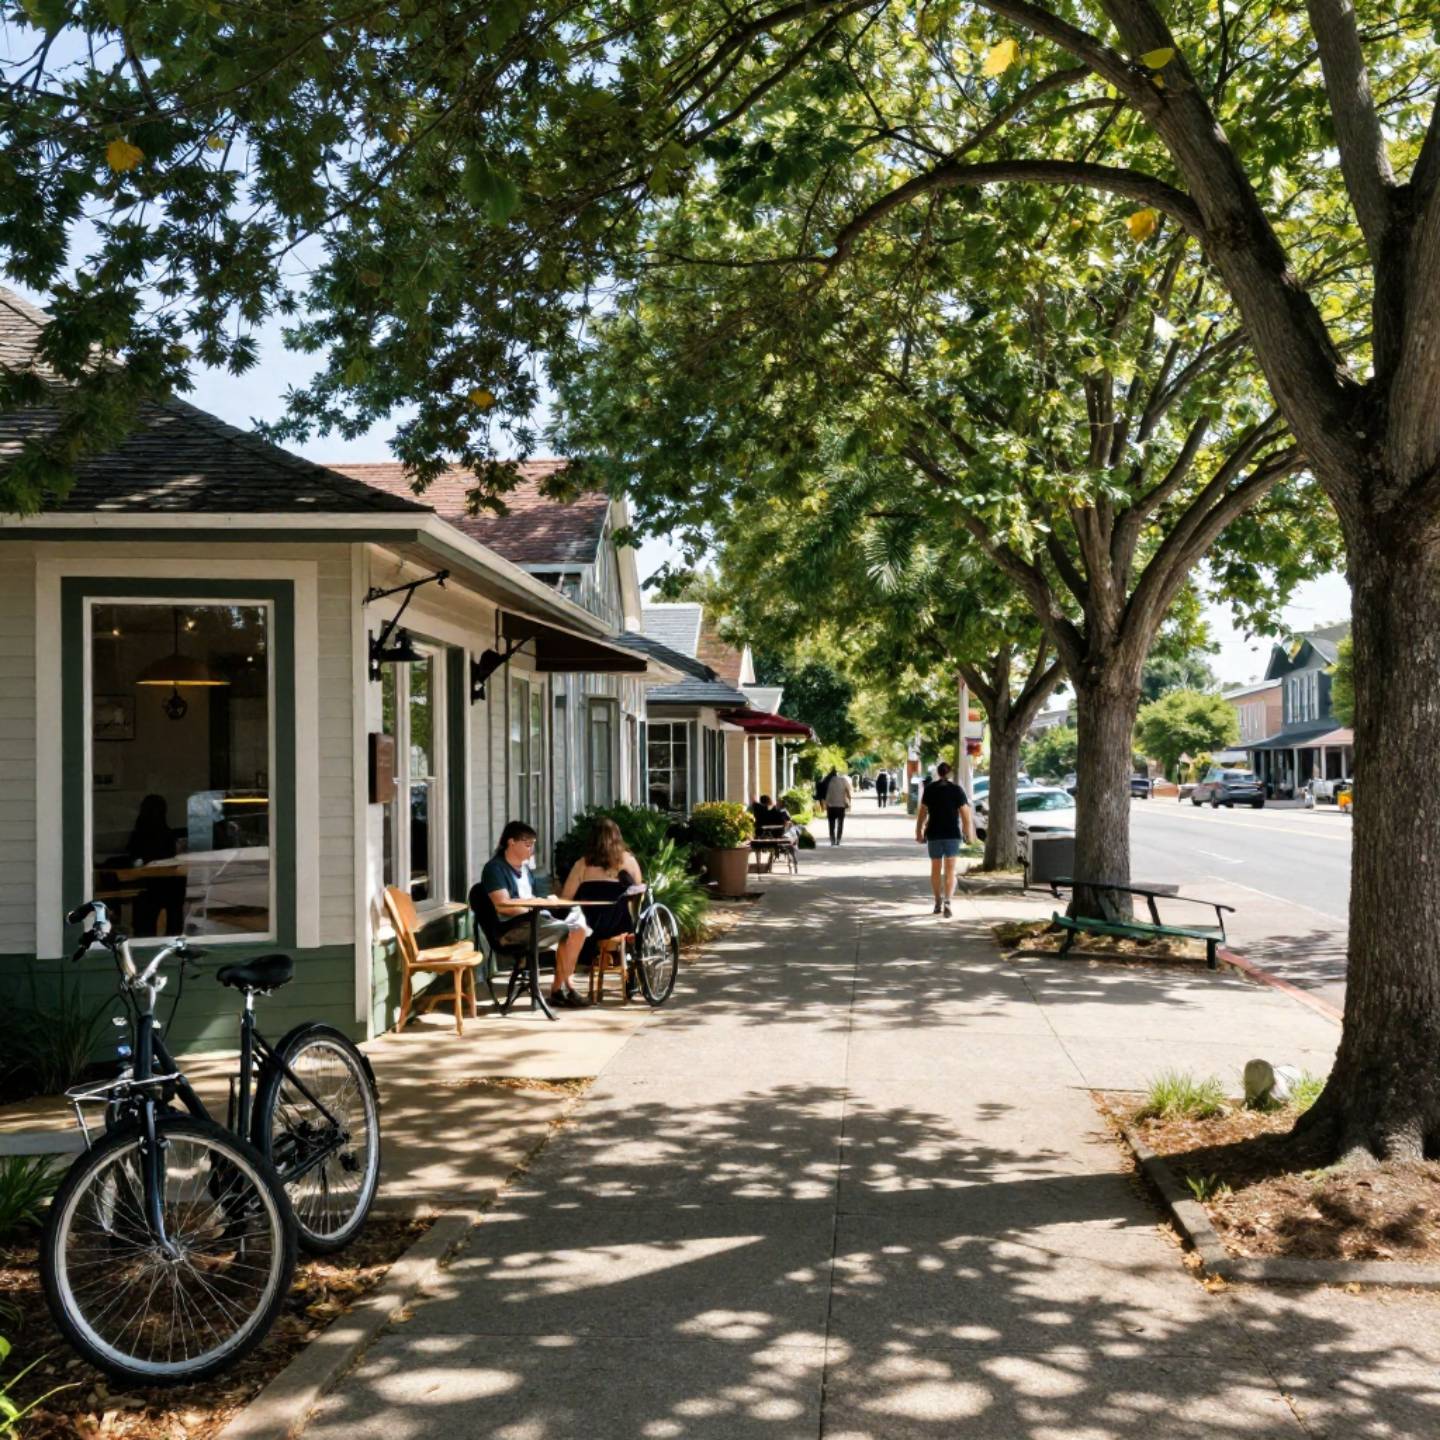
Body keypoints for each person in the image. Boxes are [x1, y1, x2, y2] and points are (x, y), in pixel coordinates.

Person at [471, 820, 590, 1008]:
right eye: (527, 845)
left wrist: (547, 904)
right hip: (511, 929)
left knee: (578, 924)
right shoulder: (495, 869)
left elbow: (531, 898)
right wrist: (538, 906)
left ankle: (562, 987)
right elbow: (503, 905)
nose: (531, 849)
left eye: (533, 844)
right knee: (571, 929)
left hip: (534, 922)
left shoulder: (525, 870)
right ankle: (562, 989)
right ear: (511, 843)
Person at [561, 818, 644, 992]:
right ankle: (630, 972)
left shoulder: (582, 864)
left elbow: (566, 897)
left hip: (590, 927)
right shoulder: (628, 861)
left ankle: (569, 979)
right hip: (621, 925)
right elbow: (638, 891)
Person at [915, 761, 974, 917]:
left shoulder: (930, 790)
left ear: (938, 773)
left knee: (935, 869)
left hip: (934, 833)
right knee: (950, 870)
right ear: (949, 773)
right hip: (952, 834)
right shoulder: (957, 790)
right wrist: (967, 833)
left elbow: (922, 812)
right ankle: (948, 900)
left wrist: (918, 832)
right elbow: (965, 814)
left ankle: (937, 901)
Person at [823, 767, 853, 845]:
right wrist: (849, 802)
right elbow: (848, 792)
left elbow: (826, 793)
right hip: (840, 805)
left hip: (831, 805)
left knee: (831, 823)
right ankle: (838, 839)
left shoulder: (830, 781)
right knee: (840, 823)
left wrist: (825, 804)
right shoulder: (844, 780)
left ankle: (832, 839)